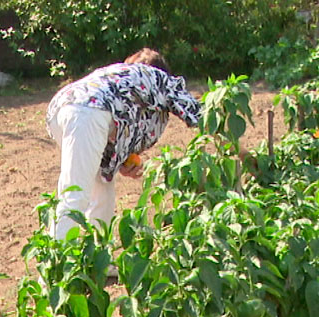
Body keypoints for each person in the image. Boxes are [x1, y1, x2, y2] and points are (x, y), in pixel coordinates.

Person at [45, 48, 202, 240]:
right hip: (87, 113)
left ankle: (98, 260)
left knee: (101, 191)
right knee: (75, 195)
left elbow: (121, 116)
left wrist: (123, 158)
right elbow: (202, 116)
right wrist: (242, 152)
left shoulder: (117, 75)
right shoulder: (159, 78)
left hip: (61, 111)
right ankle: (58, 263)